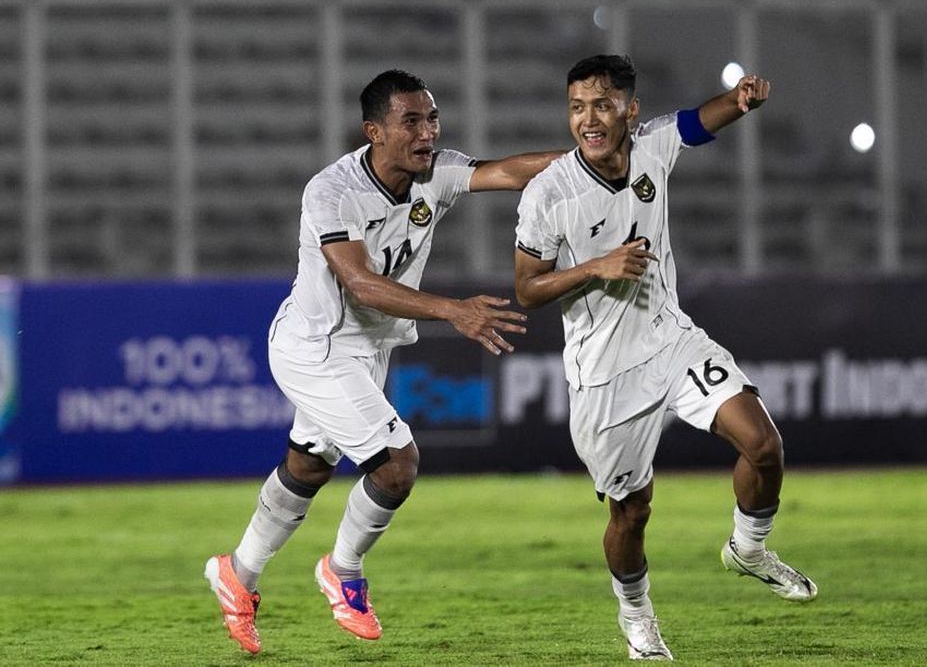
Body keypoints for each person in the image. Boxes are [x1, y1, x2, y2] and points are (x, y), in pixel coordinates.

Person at [204, 69, 560, 655]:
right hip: (317, 347)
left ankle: (236, 575)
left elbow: (509, 171)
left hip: (367, 350)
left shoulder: (436, 174)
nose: (428, 133)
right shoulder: (332, 191)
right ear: (374, 131)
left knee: (309, 466)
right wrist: (453, 310)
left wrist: (587, 159)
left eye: (432, 119)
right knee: (397, 464)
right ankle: (343, 570)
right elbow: (361, 284)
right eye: (411, 121)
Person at [513, 55, 817, 661]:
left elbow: (700, 120)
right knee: (631, 511)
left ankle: (749, 548)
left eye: (602, 106)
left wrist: (741, 100)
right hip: (604, 375)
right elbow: (526, 289)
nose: (588, 120)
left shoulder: (652, 146)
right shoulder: (549, 193)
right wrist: (597, 267)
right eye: (577, 108)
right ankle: (637, 617)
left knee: (764, 446)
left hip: (671, 339)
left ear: (630, 110)